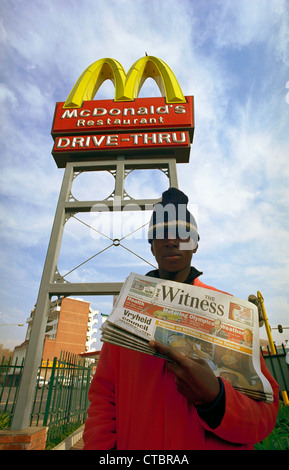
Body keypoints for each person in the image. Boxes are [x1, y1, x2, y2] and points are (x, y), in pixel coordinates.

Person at [83, 187, 279, 450]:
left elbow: (264, 414)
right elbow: (104, 396)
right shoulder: (125, 313)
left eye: (182, 234)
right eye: (161, 234)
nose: (171, 241)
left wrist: (216, 399)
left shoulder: (231, 313)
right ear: (151, 246)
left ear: (195, 244)